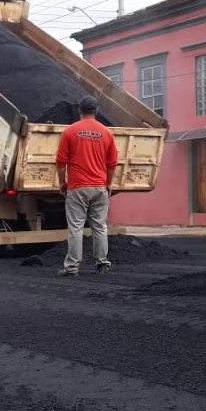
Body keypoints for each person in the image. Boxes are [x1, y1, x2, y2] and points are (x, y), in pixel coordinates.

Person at [55, 95, 119, 277]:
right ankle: (102, 263)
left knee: (75, 227)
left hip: (77, 187)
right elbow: (112, 163)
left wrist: (62, 182)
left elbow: (60, 161)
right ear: (96, 111)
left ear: (79, 111)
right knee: (100, 226)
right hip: (99, 187)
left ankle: (72, 268)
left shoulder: (70, 131)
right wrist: (108, 184)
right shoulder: (107, 133)